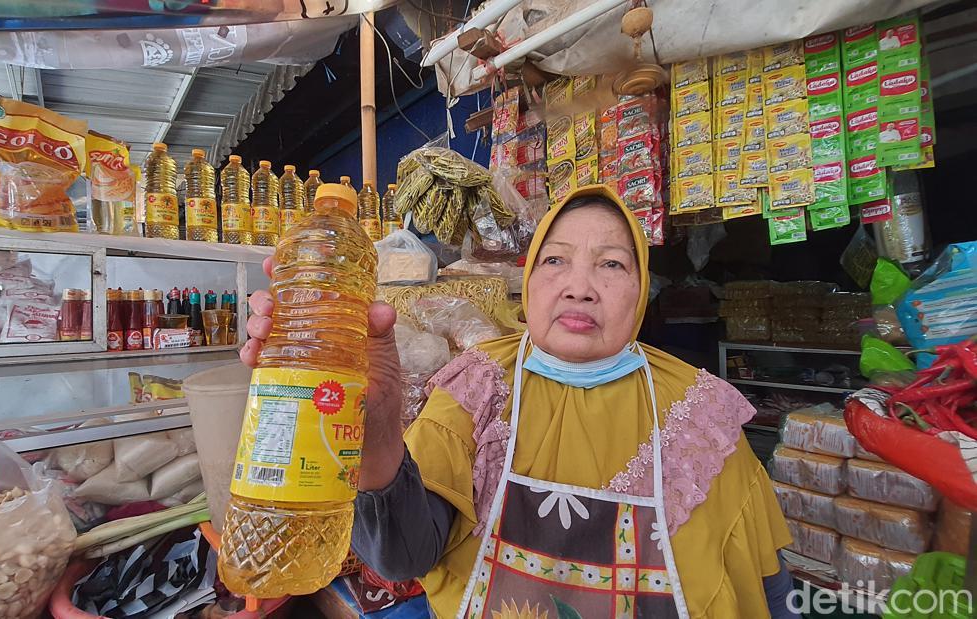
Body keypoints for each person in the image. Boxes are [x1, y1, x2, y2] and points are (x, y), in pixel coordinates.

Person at [242, 185, 796, 618]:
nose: (580, 287)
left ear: (641, 290)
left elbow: (767, 588)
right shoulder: (477, 387)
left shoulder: (702, 415)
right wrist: (378, 424)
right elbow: (401, 557)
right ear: (528, 280)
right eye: (555, 261)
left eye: (611, 264)